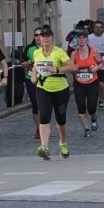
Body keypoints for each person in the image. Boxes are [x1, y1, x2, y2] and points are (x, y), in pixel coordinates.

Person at [31, 28, 74, 159]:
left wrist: (57, 69)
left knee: (61, 119)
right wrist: (33, 76)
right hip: (42, 88)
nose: (44, 39)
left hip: (60, 89)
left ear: (52, 38)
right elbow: (35, 67)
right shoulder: (37, 53)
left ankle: (63, 142)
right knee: (44, 116)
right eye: (42, 36)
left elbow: (72, 67)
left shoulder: (59, 52)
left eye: (47, 36)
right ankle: (44, 147)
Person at [70, 30, 101, 138]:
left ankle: (93, 117)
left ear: (87, 39)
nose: (82, 40)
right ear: (77, 40)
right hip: (79, 83)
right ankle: (86, 129)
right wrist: (74, 69)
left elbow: (101, 63)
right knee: (81, 107)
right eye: (80, 38)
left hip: (92, 82)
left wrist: (96, 68)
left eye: (84, 38)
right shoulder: (74, 54)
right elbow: (70, 67)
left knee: (91, 107)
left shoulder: (93, 51)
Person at [22, 28, 42, 137]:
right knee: (35, 104)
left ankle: (44, 126)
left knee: (44, 104)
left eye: (40, 35)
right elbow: (22, 64)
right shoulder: (30, 49)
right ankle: (38, 128)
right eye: (36, 35)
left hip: (45, 79)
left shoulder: (49, 49)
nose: (38, 37)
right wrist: (30, 61)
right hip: (31, 78)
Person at [88, 21, 104, 108]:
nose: (98, 29)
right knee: (92, 86)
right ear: (93, 28)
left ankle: (101, 101)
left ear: (103, 28)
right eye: (96, 27)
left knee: (101, 85)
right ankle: (93, 100)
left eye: (100, 27)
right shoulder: (89, 38)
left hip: (103, 65)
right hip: (91, 66)